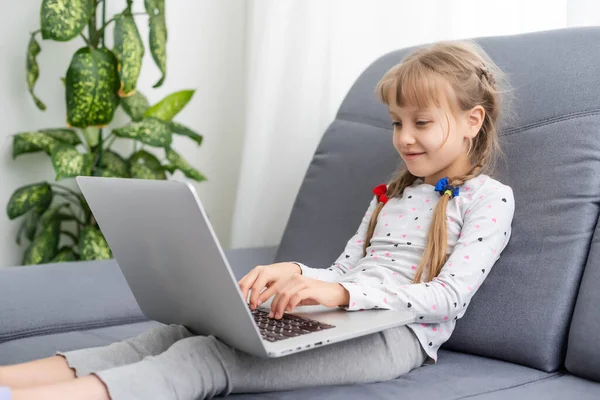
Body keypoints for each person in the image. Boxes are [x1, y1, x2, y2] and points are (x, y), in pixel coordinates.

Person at [0, 39, 516, 400]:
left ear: (473, 120)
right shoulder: (393, 194)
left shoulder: (489, 200)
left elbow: (448, 297)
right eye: (396, 123)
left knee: (203, 360)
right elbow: (344, 271)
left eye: (421, 123)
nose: (404, 137)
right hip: (343, 318)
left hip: (394, 338)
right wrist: (298, 274)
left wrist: (340, 295)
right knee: (172, 336)